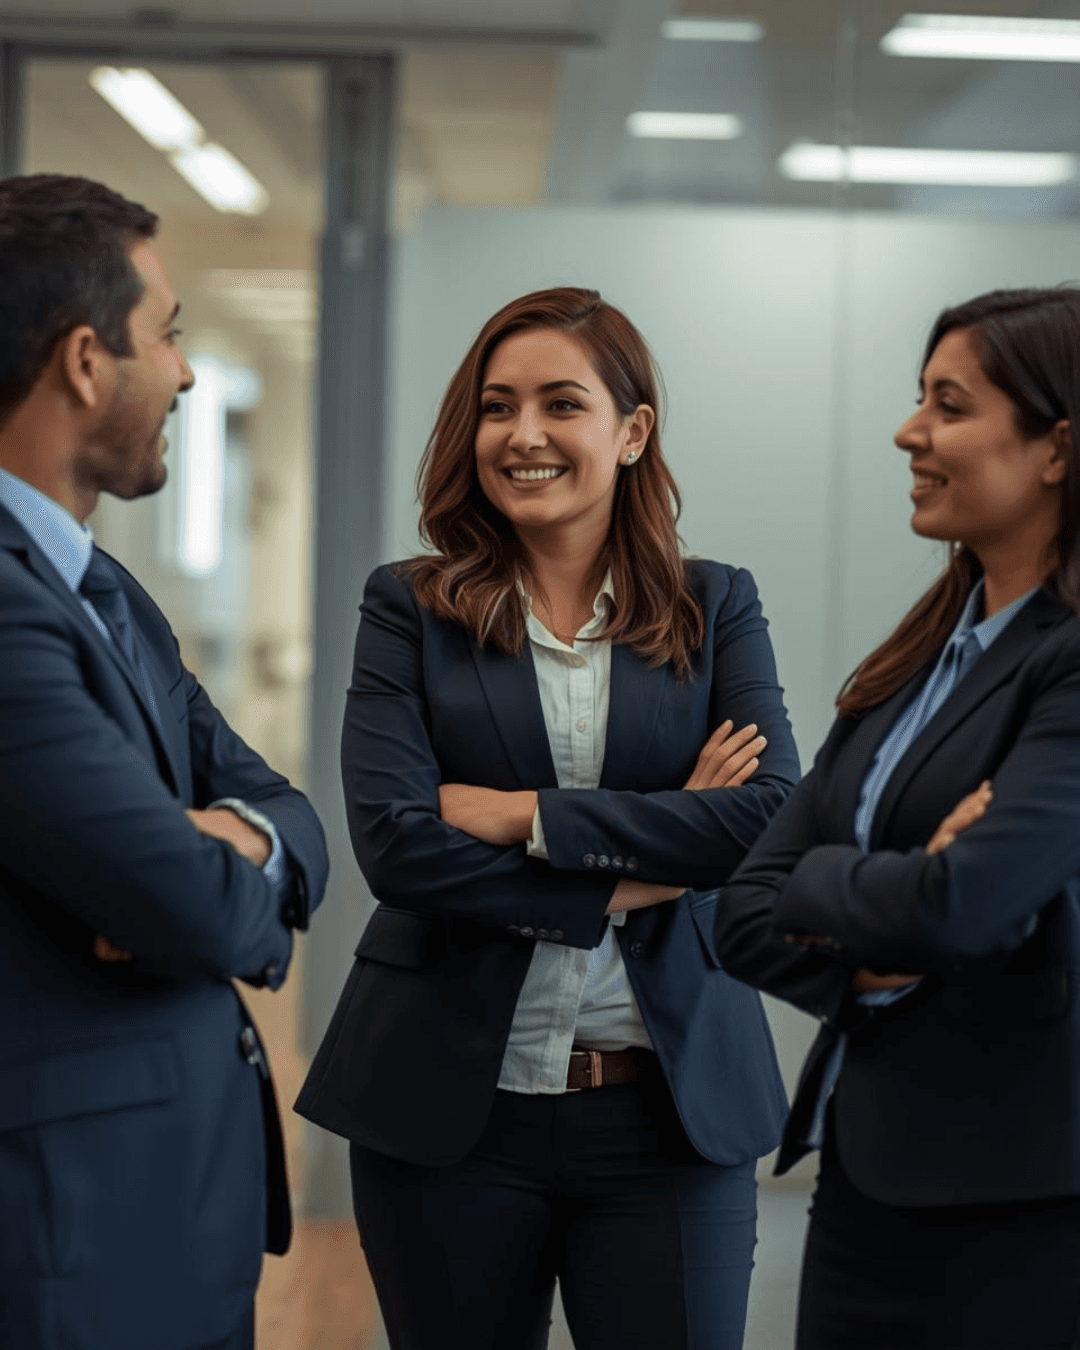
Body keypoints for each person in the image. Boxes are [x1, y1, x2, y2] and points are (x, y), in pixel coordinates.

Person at [296, 286, 801, 1349]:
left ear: (632, 431)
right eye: (497, 407)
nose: (522, 434)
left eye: (561, 404)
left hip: (668, 1116)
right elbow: (398, 847)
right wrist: (654, 858)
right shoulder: (410, 608)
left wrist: (523, 813)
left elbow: (766, 821)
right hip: (447, 1112)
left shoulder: (716, 606)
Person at [712, 287, 1080, 1350]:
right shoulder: (918, 660)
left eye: (949, 406)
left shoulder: (1066, 663)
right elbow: (744, 910)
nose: (908, 432)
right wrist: (886, 929)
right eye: (921, 398)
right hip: (867, 1180)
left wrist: (832, 888)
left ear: (1056, 449)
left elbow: (964, 902)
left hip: (1023, 1206)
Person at [0, 174, 328, 1350]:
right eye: (169, 335)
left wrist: (236, 834)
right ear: (87, 362)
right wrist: (208, 865)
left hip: (162, 1227)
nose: (185, 374)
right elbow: (184, 901)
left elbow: (288, 810)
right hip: (69, 1248)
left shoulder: (104, 592)